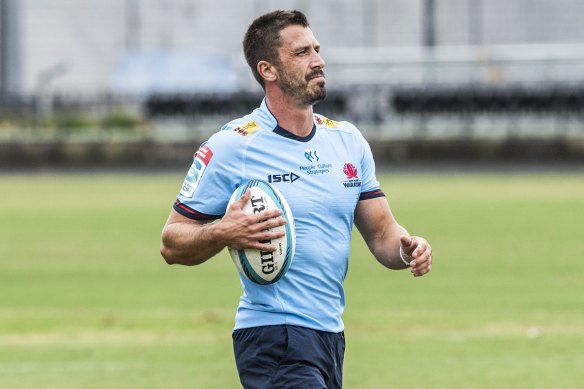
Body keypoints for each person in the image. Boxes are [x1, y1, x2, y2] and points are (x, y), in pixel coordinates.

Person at [160, 9, 433, 389]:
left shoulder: (348, 141)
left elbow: (383, 233)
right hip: (273, 336)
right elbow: (172, 241)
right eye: (302, 52)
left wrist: (408, 248)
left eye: (317, 49)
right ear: (268, 70)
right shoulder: (233, 145)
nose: (318, 60)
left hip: (330, 336)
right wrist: (222, 232)